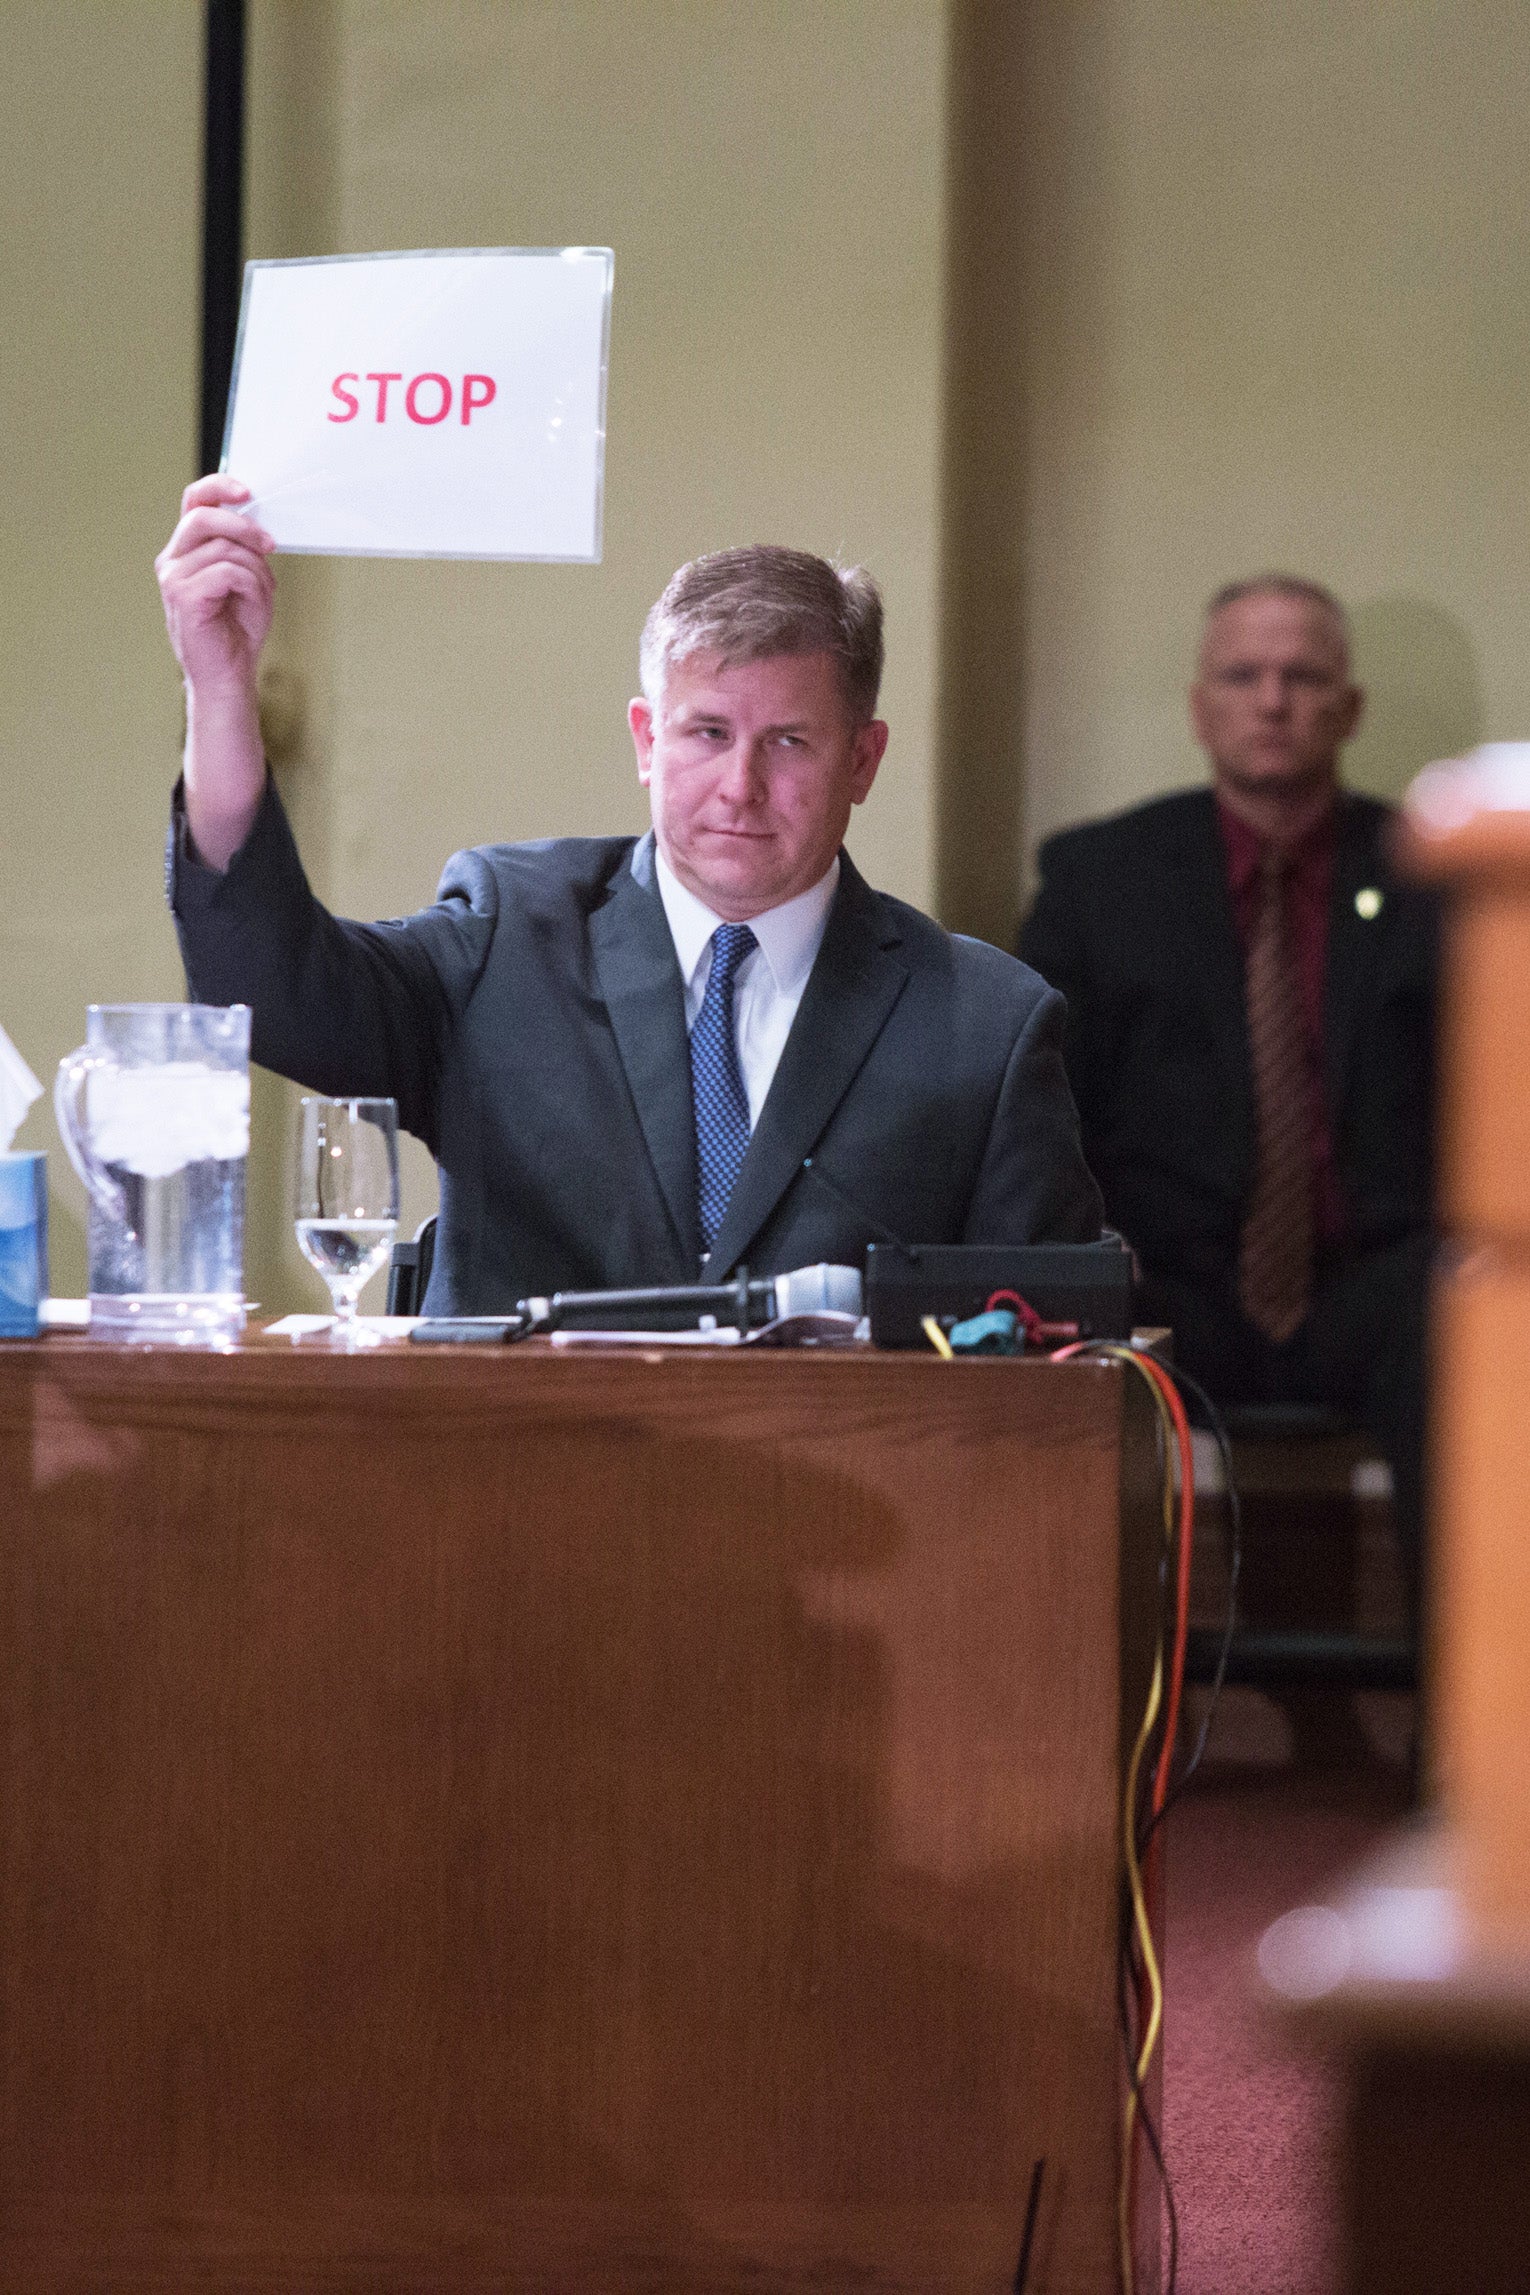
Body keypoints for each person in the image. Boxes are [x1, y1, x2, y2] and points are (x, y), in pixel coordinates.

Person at [157, 475, 1102, 1313]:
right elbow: (272, 988)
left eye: (788, 741)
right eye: (707, 734)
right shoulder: (508, 938)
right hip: (522, 1455)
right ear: (648, 740)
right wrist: (221, 687)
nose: (740, 786)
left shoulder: (984, 1025)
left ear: (862, 759)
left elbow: (1053, 1359)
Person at [1019, 576, 1437, 1604]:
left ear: (1350, 707)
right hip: (1168, 1282)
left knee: (1475, 1317)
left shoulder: (1436, 879)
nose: (1273, 700)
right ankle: (1064, 1693)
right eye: (1244, 675)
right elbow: (1034, 1107)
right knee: (1033, 1319)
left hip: (1381, 1288)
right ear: (1202, 707)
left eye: (1304, 676)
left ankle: (1475, 1701)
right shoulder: (1100, 880)